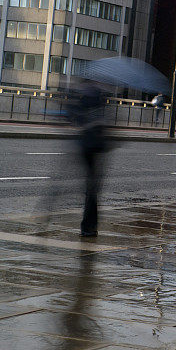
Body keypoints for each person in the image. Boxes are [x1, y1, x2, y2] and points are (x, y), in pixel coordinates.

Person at [67, 81, 108, 237]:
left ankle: (88, 225)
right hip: (96, 147)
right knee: (92, 189)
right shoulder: (99, 100)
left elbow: (74, 118)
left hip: (84, 145)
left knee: (90, 188)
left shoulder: (83, 99)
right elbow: (102, 124)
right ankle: (89, 226)